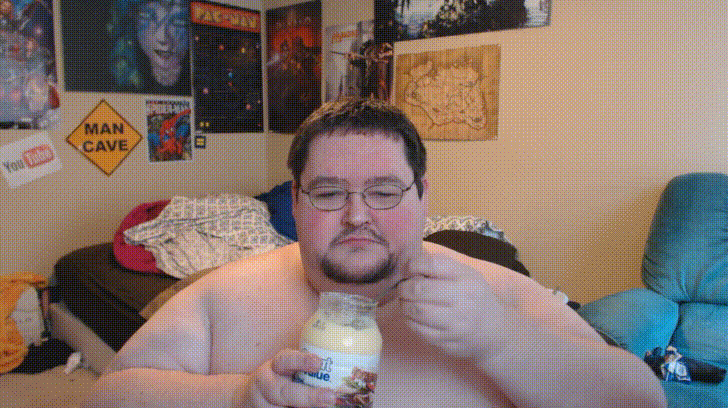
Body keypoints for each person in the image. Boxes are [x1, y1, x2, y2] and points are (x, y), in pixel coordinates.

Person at [82, 98, 667, 408]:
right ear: (296, 201)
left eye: (384, 192)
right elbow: (110, 395)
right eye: (330, 193)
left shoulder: (495, 296)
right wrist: (236, 397)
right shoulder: (229, 291)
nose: (358, 215)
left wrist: (503, 341)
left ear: (422, 197)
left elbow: (643, 401)